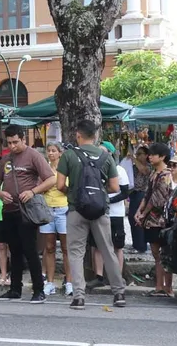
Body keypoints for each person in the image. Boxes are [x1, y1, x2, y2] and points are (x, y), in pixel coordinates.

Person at [57, 119, 125, 310]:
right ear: (95, 137)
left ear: (78, 135)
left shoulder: (68, 155)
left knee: (76, 253)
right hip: (100, 210)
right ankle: (119, 293)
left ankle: (79, 297)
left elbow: (60, 185)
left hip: (76, 210)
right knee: (107, 250)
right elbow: (114, 186)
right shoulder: (106, 157)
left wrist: (75, 194)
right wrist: (98, 194)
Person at [0, 124, 55, 303]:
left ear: (23, 139)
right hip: (9, 210)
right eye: (9, 143)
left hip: (26, 211)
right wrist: (0, 193)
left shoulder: (33, 155)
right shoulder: (6, 159)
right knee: (14, 251)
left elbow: (51, 179)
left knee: (30, 250)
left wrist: (33, 191)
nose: (12, 146)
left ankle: (38, 290)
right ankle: (15, 289)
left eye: (15, 142)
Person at [135, 142, 174, 297]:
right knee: (156, 253)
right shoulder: (153, 174)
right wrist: (139, 211)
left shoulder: (166, 175)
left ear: (162, 157)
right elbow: (147, 195)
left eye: (152, 154)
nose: (149, 157)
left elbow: (158, 198)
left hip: (161, 219)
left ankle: (168, 287)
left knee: (164, 254)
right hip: (151, 219)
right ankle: (159, 286)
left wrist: (143, 213)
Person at [92, 142, 129, 291]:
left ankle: (117, 277)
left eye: (103, 151)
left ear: (110, 153)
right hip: (99, 212)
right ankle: (99, 276)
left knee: (117, 246)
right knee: (97, 246)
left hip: (115, 213)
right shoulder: (93, 168)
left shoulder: (119, 170)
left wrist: (107, 200)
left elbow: (125, 192)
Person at [41, 142, 72, 297]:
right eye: (49, 151)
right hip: (48, 208)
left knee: (66, 248)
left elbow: (69, 188)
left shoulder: (66, 168)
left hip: (63, 208)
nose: (51, 153)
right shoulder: (44, 169)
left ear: (60, 153)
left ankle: (69, 282)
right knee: (49, 247)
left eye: (54, 151)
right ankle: (50, 282)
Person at [127, 145, 150, 253]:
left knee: (138, 219)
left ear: (146, 155)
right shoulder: (134, 166)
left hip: (142, 194)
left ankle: (141, 245)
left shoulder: (148, 166)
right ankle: (136, 243)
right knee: (131, 218)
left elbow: (143, 170)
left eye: (140, 154)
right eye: (137, 154)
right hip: (133, 193)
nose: (138, 156)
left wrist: (133, 158)